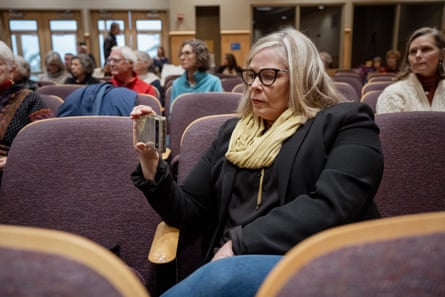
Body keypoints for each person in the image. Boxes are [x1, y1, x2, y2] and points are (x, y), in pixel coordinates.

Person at [130, 27, 384, 297]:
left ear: (302, 77)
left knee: (225, 277)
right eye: (251, 75)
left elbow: (331, 205)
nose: (253, 85)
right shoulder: (233, 133)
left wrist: (240, 243)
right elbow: (187, 209)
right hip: (230, 268)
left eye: (268, 76)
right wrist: (151, 163)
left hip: (307, 263)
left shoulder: (348, 122)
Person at [0, 41, 54, 181]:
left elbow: (48, 142)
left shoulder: (29, 99)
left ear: (12, 69)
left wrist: (15, 159)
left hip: (11, 173)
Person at [376, 27, 445, 113]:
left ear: (442, 54)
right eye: (413, 51)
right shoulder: (393, 93)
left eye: (426, 49)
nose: (418, 55)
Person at [170, 39, 223, 108]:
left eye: (187, 53)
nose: (182, 57)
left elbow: (219, 111)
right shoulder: (177, 84)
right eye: (181, 54)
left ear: (199, 56)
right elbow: (173, 114)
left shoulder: (213, 82)